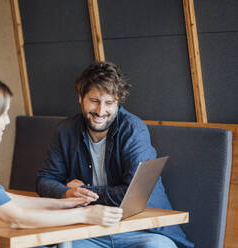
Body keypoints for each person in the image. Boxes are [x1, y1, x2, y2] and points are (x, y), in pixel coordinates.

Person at [0, 71, 123, 247]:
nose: (7, 121)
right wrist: (86, 214)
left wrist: (60, 204)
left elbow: (4, 198)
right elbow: (17, 217)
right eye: (2, 114)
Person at [36, 61, 194, 248]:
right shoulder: (65, 131)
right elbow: (44, 180)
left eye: (109, 103)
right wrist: (68, 192)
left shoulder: (133, 130)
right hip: (89, 231)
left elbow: (132, 194)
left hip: (139, 231)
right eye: (94, 101)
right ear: (80, 97)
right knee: (60, 245)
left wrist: (85, 191)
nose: (101, 111)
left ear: (118, 102)